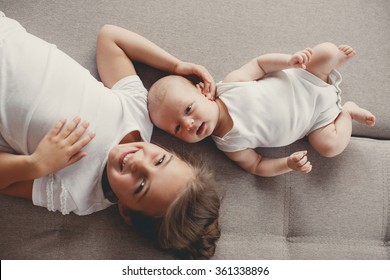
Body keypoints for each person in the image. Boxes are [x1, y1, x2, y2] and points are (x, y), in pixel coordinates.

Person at [0, 13, 220, 259]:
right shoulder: (138, 113)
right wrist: (175, 65)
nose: (138, 162)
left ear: (126, 211)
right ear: (174, 154)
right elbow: (111, 38)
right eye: (159, 160)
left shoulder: (77, 194)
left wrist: (36, 165)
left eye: (141, 185)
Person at [148, 42, 376, 177]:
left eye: (188, 109)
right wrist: (286, 164)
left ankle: (333, 62)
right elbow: (257, 165)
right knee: (330, 147)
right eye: (178, 128)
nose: (188, 124)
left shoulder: (231, 85)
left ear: (203, 92)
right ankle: (347, 112)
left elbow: (260, 64)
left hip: (307, 79)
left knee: (325, 51)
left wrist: (289, 61)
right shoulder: (229, 144)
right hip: (317, 121)